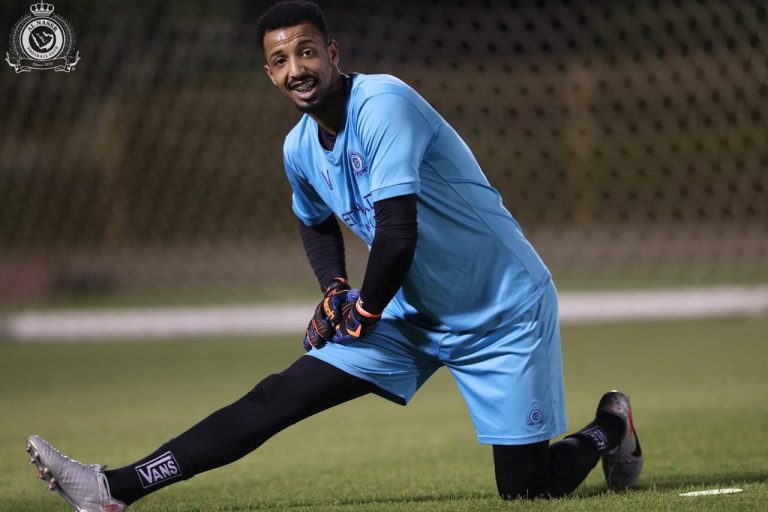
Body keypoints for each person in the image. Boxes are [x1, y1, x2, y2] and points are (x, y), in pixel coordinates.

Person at [25, 2, 643, 510]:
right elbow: (314, 222)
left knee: (526, 490)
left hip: (501, 310)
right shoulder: (298, 148)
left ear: (333, 53)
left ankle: (611, 426)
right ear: (269, 74)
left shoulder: (384, 104)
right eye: (280, 60)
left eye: (307, 52)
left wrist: (363, 310)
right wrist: (334, 289)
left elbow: (398, 233)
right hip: (411, 309)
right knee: (280, 394)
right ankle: (114, 489)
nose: (297, 68)